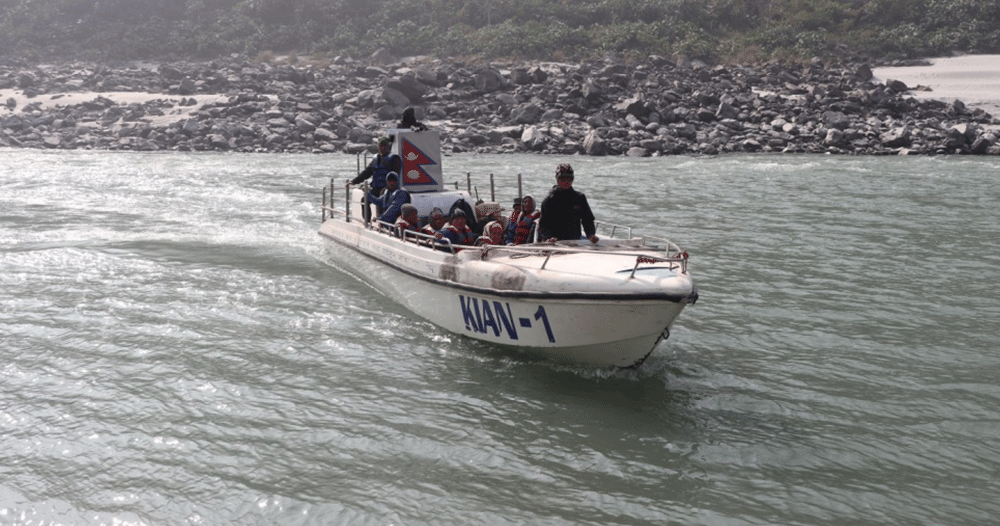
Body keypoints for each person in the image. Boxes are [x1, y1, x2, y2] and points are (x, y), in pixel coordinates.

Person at [538, 163, 599, 244]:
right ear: (557, 180)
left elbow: (587, 220)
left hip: (574, 241)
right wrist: (548, 237)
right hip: (555, 243)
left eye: (569, 179)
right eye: (563, 179)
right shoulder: (549, 200)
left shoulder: (579, 197)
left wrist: (591, 234)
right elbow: (544, 224)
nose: (566, 182)